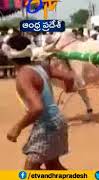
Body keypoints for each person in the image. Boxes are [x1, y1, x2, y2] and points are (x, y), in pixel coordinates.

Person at [4, 34, 75, 170]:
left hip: (47, 126)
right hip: (58, 121)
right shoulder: (42, 67)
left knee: (30, 171)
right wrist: (68, 89)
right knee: (52, 165)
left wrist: (17, 127)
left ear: (9, 54)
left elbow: (37, 108)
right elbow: (69, 77)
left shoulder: (24, 76)